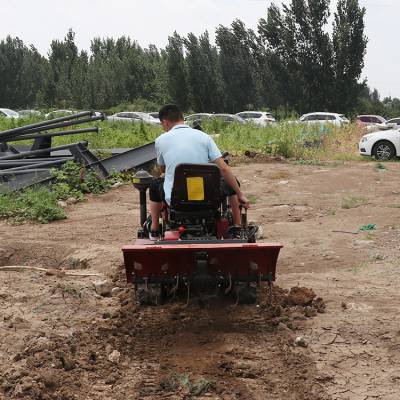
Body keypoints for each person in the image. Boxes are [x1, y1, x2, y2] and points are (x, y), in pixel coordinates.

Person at [149, 104, 250, 239]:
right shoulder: (204, 137)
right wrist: (241, 194)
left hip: (175, 200)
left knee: (154, 185)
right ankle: (236, 227)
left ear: (165, 122)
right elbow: (224, 168)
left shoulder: (161, 140)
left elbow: (163, 169)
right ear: (182, 118)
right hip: (208, 199)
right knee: (232, 183)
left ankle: (154, 229)